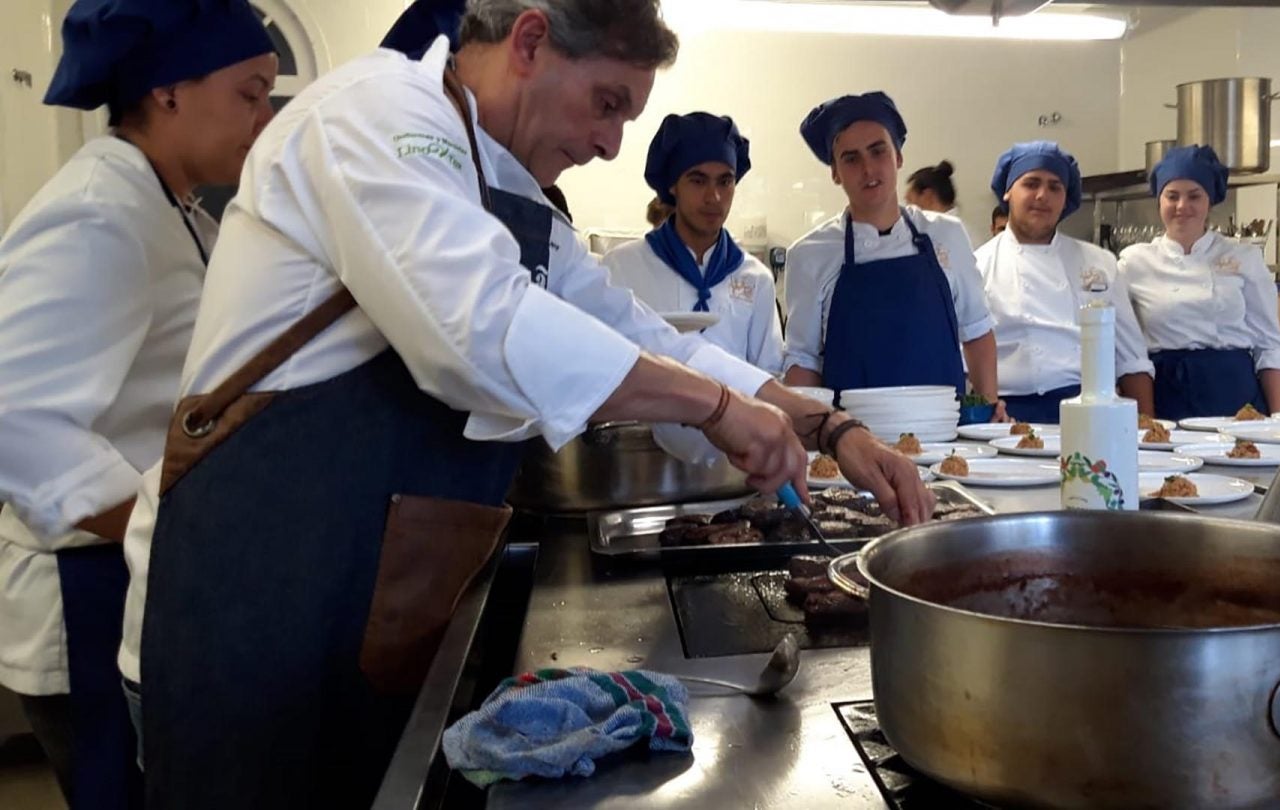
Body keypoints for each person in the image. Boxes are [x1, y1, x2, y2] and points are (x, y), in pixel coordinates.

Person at [120, 3, 930, 808]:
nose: (612, 142)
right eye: (607, 103)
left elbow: (647, 336)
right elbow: (475, 326)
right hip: (254, 600)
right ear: (532, 40)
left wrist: (831, 427)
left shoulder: (511, 192)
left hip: (372, 599)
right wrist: (716, 408)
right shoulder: (376, 112)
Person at [0, 1, 276, 806]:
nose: (263, 119)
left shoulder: (174, 205)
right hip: (84, 586)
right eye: (250, 94)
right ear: (168, 91)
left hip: (129, 573)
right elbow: (13, 416)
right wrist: (168, 527)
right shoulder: (100, 210)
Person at [781, 91, 1002, 416]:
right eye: (851, 158)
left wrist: (987, 409)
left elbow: (977, 332)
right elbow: (803, 360)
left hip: (943, 437)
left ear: (898, 157)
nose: (868, 168)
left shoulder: (946, 234)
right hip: (853, 441)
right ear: (835, 172)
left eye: (878, 151)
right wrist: (809, 431)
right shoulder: (809, 254)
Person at [974, 141, 1154, 423]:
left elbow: (1131, 358)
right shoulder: (977, 266)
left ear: (1065, 197)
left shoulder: (1100, 263)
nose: (1042, 195)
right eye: (1031, 184)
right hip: (1005, 417)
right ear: (1008, 192)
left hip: (1090, 413)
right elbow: (961, 362)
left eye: (1055, 187)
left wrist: (1145, 428)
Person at [602, 112, 783, 373]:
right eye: (698, 181)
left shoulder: (756, 279)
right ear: (673, 185)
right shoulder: (621, 267)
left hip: (735, 414)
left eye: (725, 181)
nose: (714, 197)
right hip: (645, 414)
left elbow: (770, 374)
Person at [1118, 145, 1280, 419]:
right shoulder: (1134, 262)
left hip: (1235, 394)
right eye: (1172, 196)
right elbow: (1124, 347)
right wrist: (1143, 420)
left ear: (1210, 202)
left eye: (1194, 196)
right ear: (1159, 201)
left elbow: (1269, 345)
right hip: (1165, 394)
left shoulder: (1244, 256)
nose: (1182, 206)